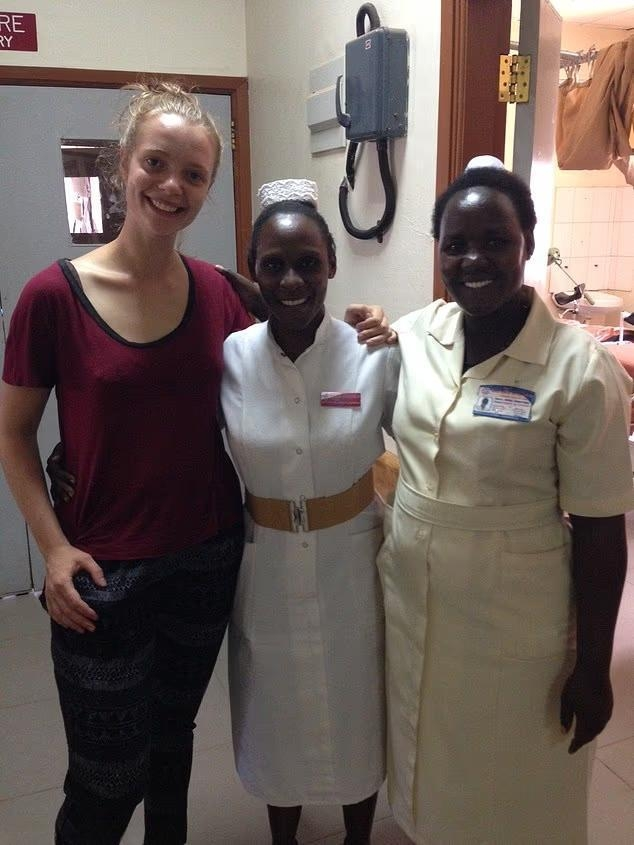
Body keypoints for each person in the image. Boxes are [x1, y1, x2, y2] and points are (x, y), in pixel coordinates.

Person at [0, 83, 387, 845]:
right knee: (105, 776)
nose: (172, 185)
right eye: (156, 163)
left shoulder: (218, 292)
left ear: (210, 187)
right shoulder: (53, 295)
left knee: (172, 744)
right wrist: (51, 548)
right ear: (123, 165)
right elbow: (12, 434)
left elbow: (299, 320)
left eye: (194, 173)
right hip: (104, 569)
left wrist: (368, 322)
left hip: (207, 558)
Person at [378, 161, 634, 843]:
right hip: (415, 599)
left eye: (495, 240)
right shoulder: (415, 335)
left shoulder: (580, 367)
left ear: (527, 242)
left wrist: (594, 666)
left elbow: (603, 530)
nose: (473, 259)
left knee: (515, 783)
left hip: (514, 616)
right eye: (455, 244)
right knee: (427, 762)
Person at [220, 182, 397, 845]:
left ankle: (358, 836)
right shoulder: (232, 356)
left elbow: (434, 430)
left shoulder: (371, 350)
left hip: (353, 557)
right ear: (254, 271)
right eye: (274, 264)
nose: (292, 279)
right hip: (263, 558)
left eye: (307, 262)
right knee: (275, 710)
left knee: (356, 702)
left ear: (331, 264)